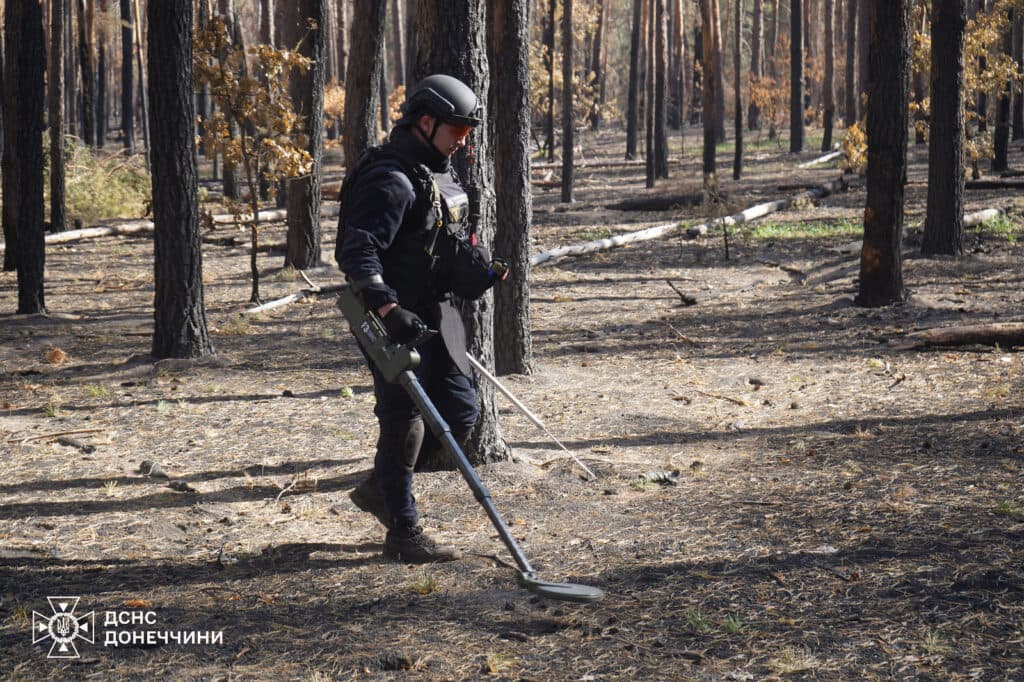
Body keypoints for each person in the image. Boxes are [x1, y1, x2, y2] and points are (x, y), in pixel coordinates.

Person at [335, 74, 507, 564]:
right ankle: (404, 531)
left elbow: (445, 235)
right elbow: (357, 251)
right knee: (403, 416)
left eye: (467, 129)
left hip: (438, 311)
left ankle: (380, 488)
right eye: (456, 128)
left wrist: (478, 268)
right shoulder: (389, 179)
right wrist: (388, 309)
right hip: (387, 316)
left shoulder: (438, 171)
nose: (463, 139)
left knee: (460, 412)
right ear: (426, 122)